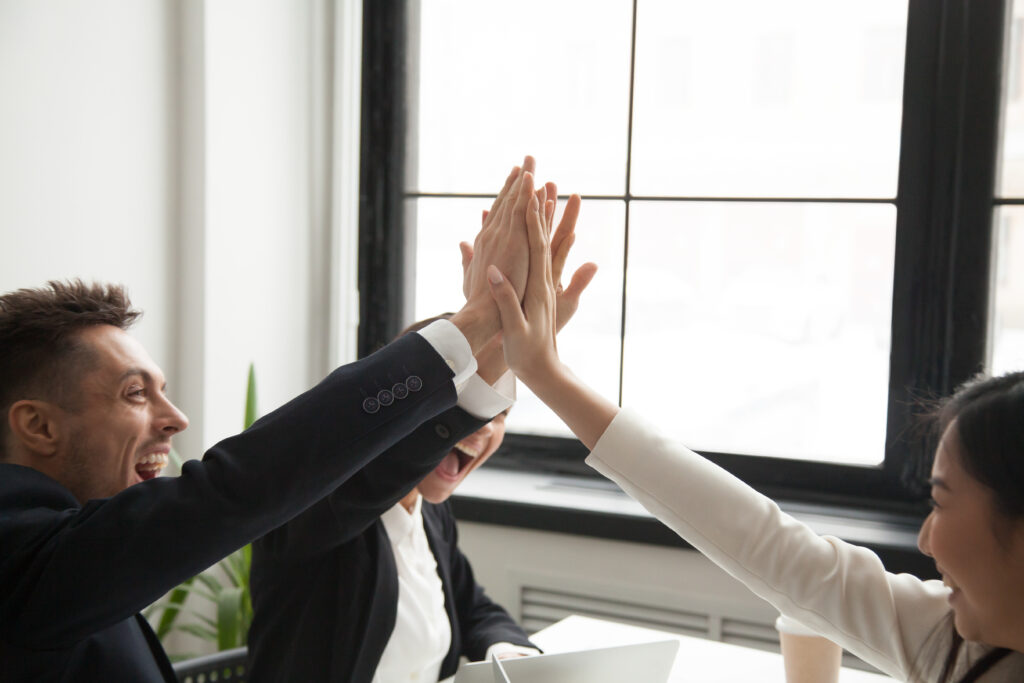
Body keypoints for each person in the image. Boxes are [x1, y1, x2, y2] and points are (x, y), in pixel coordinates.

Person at [0, 157, 543, 682]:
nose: (176, 419)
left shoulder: (68, 548)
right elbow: (238, 485)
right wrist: (474, 324)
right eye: (136, 393)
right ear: (39, 426)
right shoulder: (20, 558)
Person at [484, 189, 1024, 682]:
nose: (926, 540)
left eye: (941, 502)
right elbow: (768, 545)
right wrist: (545, 375)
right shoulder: (951, 640)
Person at [248, 189, 597, 683]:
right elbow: (383, 468)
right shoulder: (322, 507)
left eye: (498, 416)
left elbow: (474, 607)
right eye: (466, 408)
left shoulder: (430, 516)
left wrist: (508, 649)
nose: (482, 429)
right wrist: (493, 328)